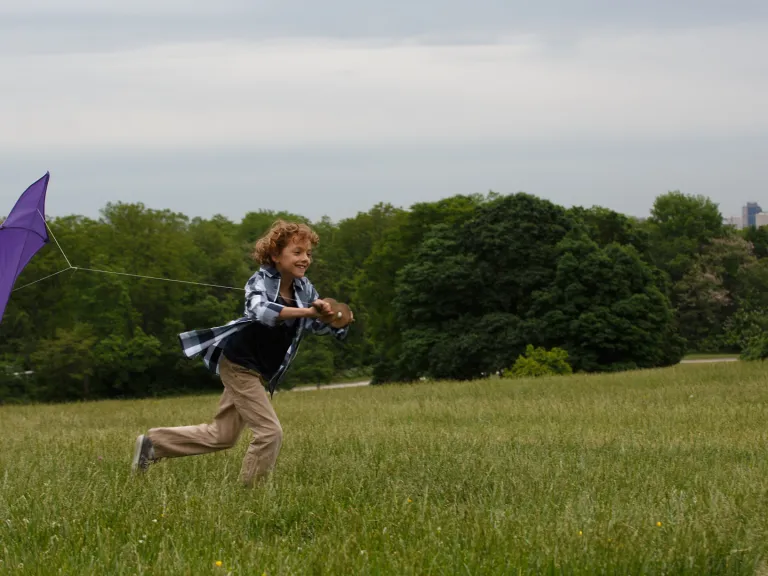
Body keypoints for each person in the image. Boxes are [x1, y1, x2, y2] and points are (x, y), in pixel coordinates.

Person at [131, 219, 353, 486]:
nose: (305, 259)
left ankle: (153, 445)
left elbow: (313, 324)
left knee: (222, 435)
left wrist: (335, 319)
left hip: (258, 372)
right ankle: (251, 495)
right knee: (270, 433)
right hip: (239, 365)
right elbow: (261, 312)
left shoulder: (304, 288)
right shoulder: (259, 280)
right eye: (297, 252)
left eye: (308, 253)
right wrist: (307, 311)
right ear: (275, 255)